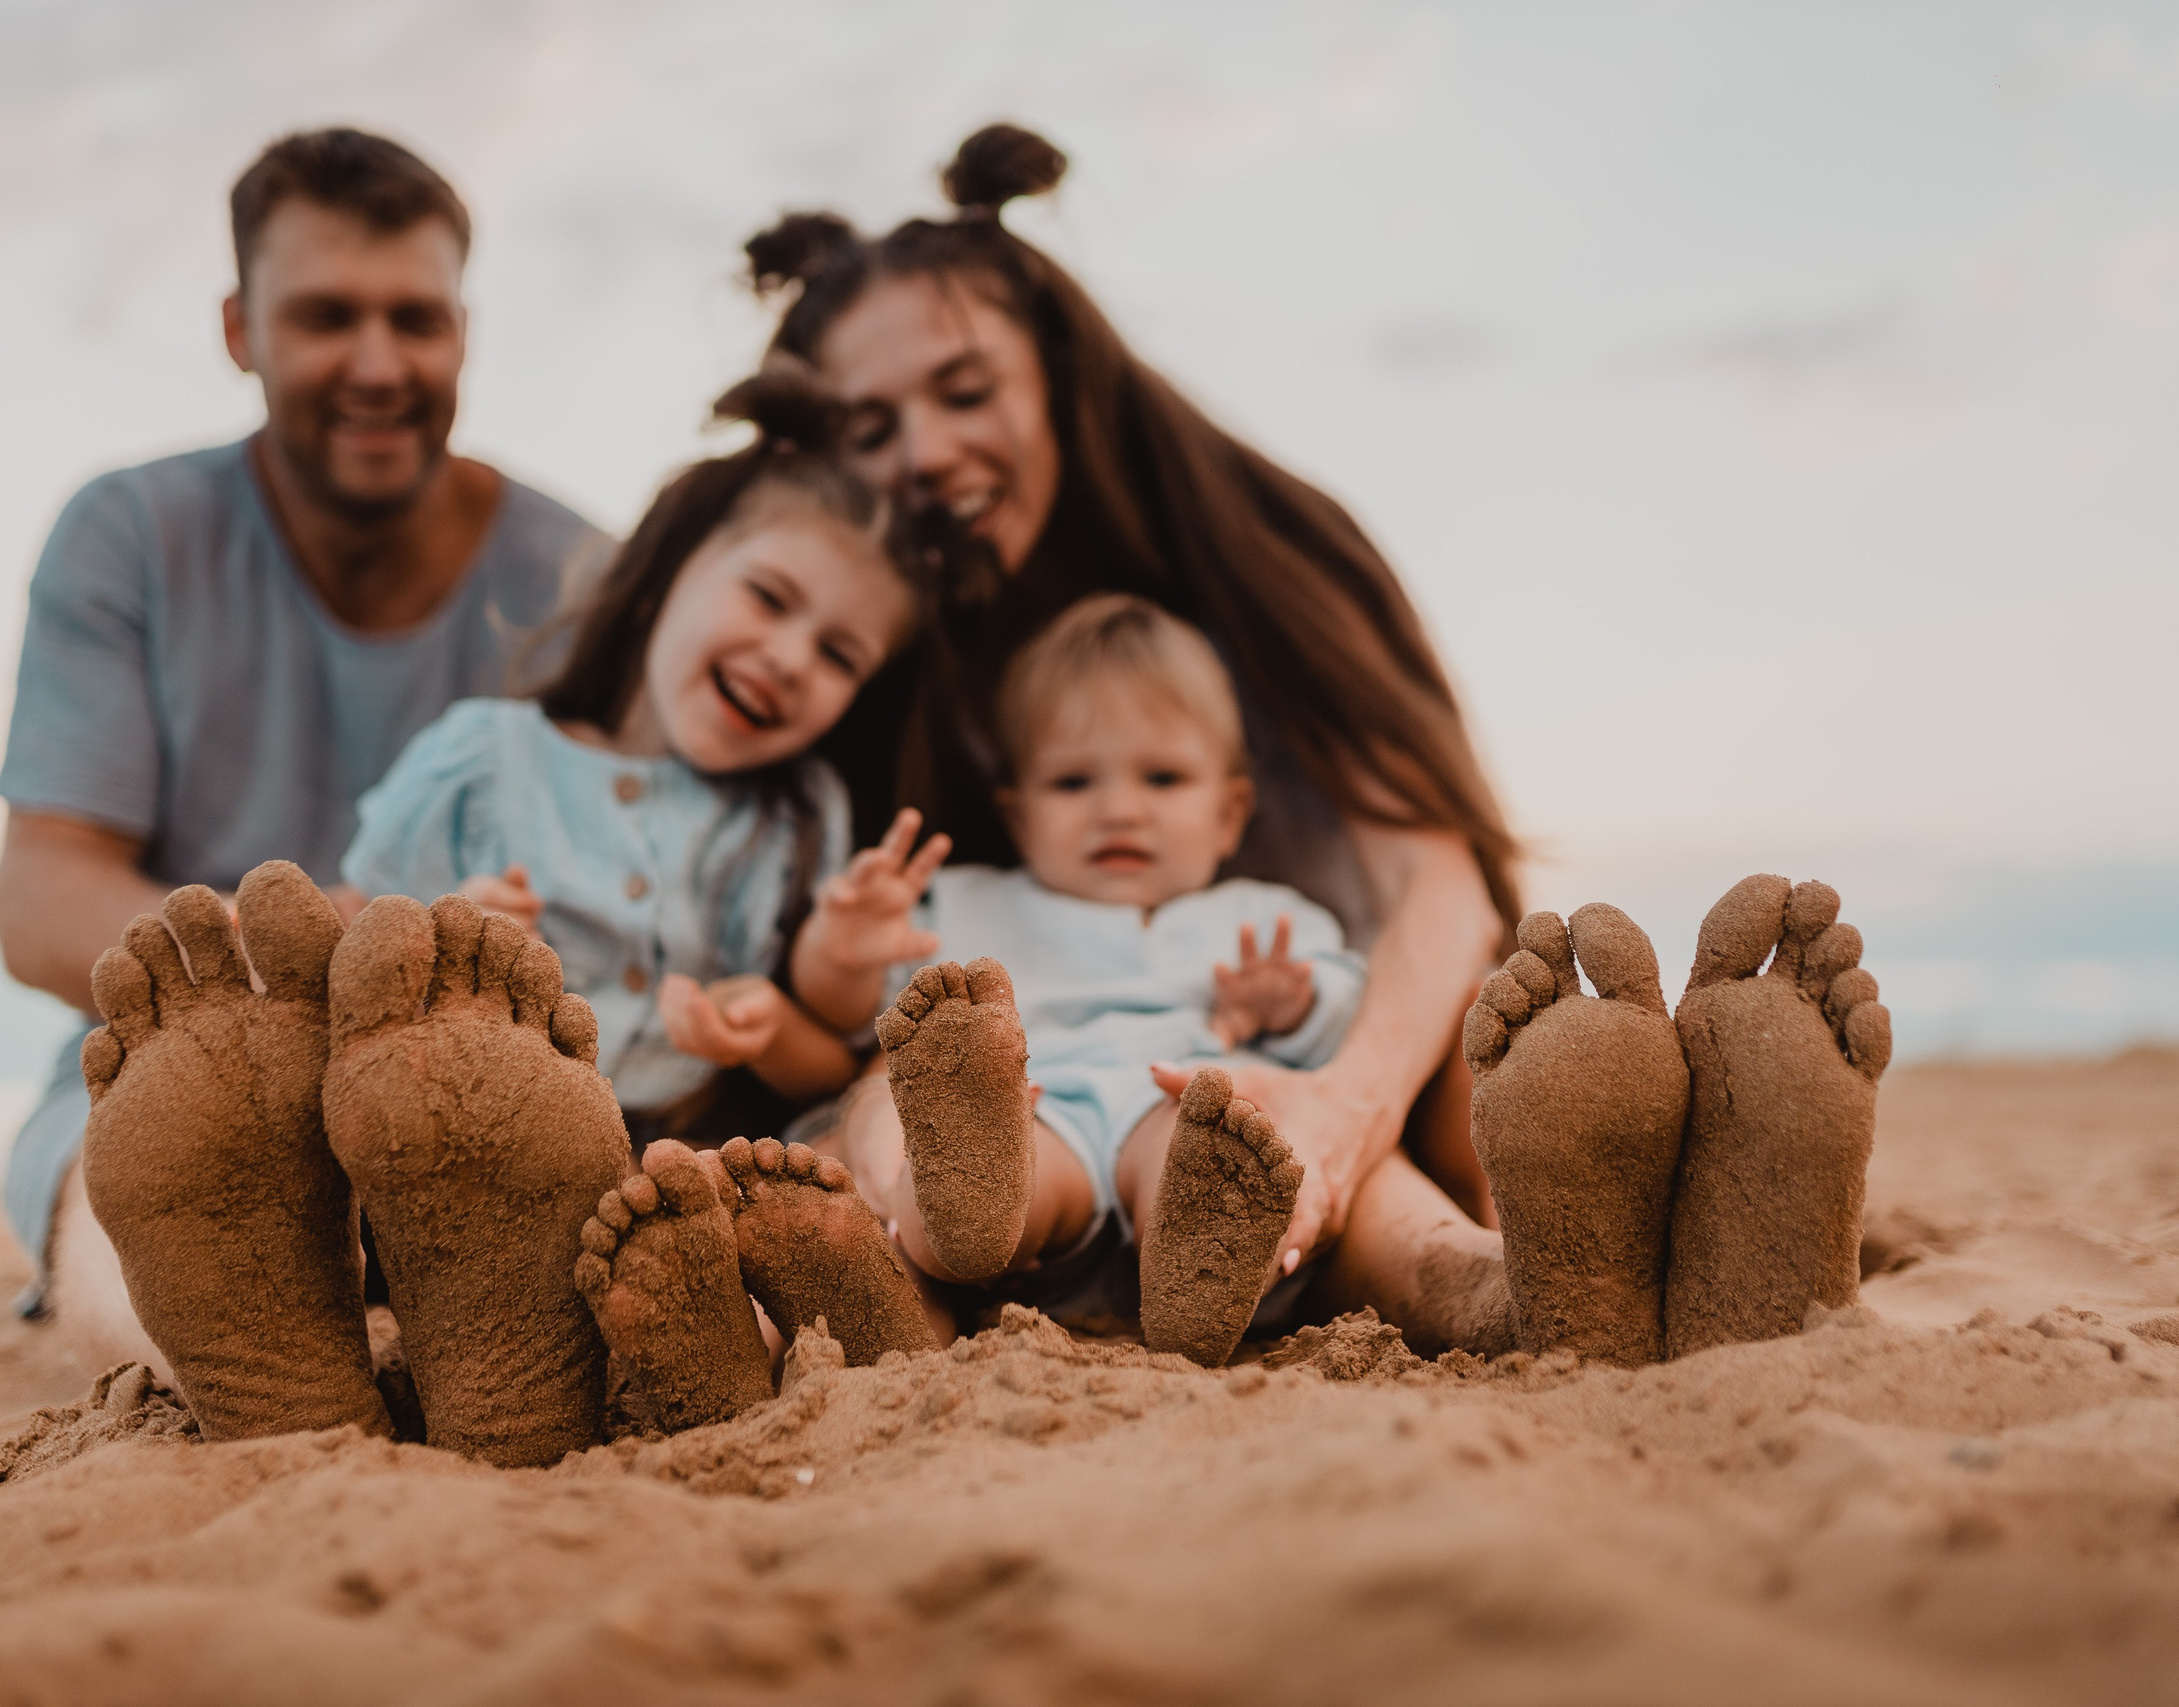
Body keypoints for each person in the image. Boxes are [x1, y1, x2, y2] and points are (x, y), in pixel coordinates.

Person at [745, 123, 1512, 1339]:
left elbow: (1439, 885)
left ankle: (1486, 1277)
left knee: (1351, 1160)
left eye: (966, 392)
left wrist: (1344, 1101)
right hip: (1021, 1116)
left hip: (1305, 1071)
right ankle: (848, 1290)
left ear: (1058, 372)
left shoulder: (1262, 551)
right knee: (878, 1121)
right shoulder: (860, 639)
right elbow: (849, 1005)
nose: (926, 455)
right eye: (871, 431)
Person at [0, 128, 603, 1366]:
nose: (377, 364)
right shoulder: (127, 535)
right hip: (184, 1057)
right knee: (134, 1208)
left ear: (463, 335)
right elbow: (41, 893)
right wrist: (290, 965)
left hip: (490, 1061)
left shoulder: (584, 576)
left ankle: (406, 1348)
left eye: (415, 320)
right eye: (326, 317)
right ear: (240, 330)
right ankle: (240, 1368)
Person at [336, 361, 925, 1146]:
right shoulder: (482, 758)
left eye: (839, 656)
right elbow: (351, 944)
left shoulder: (799, 815)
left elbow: (827, 1070)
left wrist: (782, 1013)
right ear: (666, 570)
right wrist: (451, 940)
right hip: (475, 1142)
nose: (790, 659)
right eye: (768, 597)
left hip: (688, 1162)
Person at [796, 593, 1362, 1364]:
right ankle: (963, 1210)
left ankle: (1199, 1257)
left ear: (1230, 814)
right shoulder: (969, 902)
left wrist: (1295, 1002)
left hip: (1180, 1102)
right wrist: (841, 951)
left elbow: (1350, 1012)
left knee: (1194, 1144)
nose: (1118, 809)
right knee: (1011, 1168)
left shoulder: (1260, 916)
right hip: (1029, 1108)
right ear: (1019, 817)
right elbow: (856, 1011)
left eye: (1162, 777)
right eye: (1072, 783)